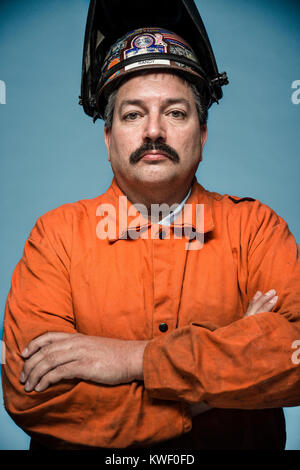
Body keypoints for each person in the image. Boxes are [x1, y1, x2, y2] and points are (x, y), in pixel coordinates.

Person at [2, 20, 300, 451]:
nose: (154, 130)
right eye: (133, 114)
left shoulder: (256, 229)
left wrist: (131, 359)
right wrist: (228, 369)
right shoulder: (55, 238)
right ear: (108, 138)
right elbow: (34, 396)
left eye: (176, 112)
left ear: (202, 133)